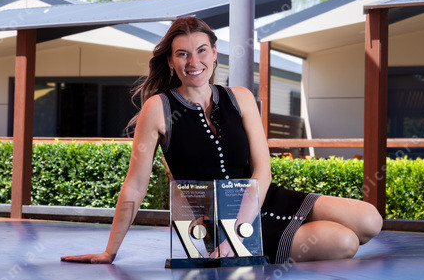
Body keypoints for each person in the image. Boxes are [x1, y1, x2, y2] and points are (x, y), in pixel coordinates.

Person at [61, 15, 382, 265]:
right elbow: (135, 185)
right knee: (344, 242)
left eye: (201, 51)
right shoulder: (158, 109)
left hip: (266, 200)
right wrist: (110, 251)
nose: (193, 62)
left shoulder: (240, 97)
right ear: (171, 61)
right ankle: (263, 247)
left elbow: (263, 171)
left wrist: (241, 229)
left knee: (370, 220)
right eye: (182, 54)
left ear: (214, 53)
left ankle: (269, 239)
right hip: (219, 224)